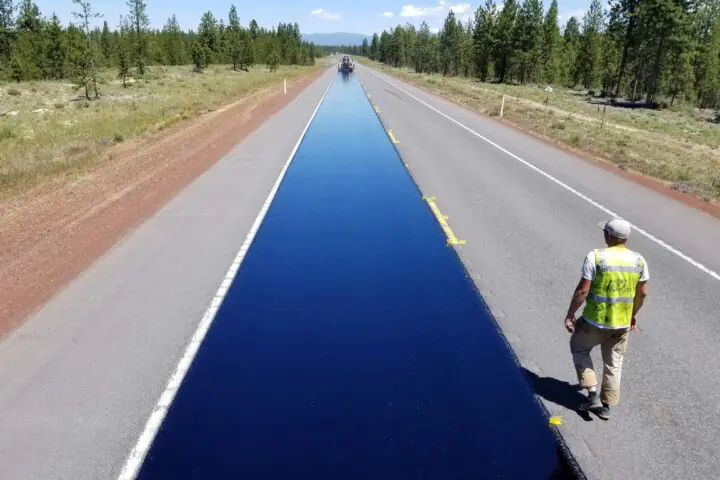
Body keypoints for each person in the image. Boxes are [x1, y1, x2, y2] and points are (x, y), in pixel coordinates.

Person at [563, 219, 649, 420]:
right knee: (614, 362)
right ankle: (606, 405)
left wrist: (570, 314)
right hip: (622, 323)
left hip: (596, 320)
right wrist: (632, 315)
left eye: (605, 232)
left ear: (609, 236)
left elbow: (583, 289)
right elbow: (643, 293)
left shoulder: (596, 256)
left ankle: (592, 394)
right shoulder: (639, 260)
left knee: (579, 347)